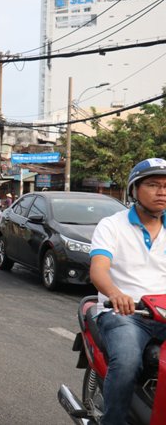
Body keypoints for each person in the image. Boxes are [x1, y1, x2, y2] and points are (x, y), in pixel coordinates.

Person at [89, 158, 166, 425]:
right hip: (127, 313)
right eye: (153, 185)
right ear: (134, 189)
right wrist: (115, 293)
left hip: (163, 313)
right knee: (127, 362)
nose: (162, 192)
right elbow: (99, 270)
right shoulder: (112, 225)